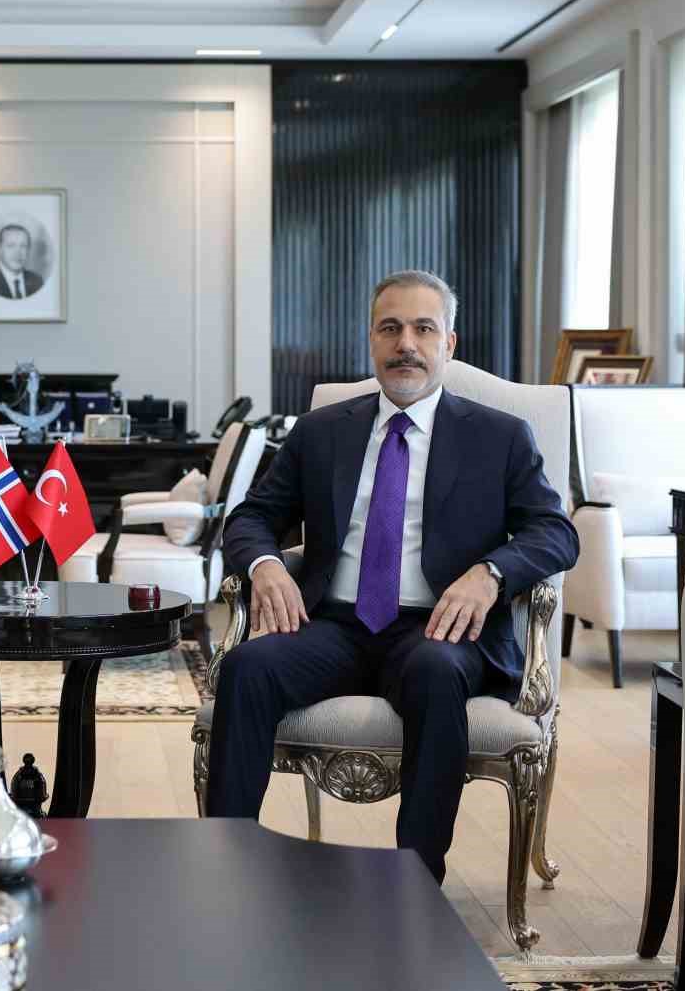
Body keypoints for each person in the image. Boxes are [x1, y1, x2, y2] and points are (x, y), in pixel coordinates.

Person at [207, 269, 578, 883]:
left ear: (448, 344)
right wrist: (266, 564)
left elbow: (556, 532)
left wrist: (490, 574)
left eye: (423, 329)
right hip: (334, 626)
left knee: (435, 672)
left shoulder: (500, 436)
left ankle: (415, 883)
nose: (406, 343)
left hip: (439, 631)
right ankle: (223, 871)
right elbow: (251, 517)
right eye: (391, 328)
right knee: (247, 667)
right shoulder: (321, 431)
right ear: (372, 341)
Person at [0, 223, 45, 299]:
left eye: (23, 246)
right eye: (11, 246)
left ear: (28, 250)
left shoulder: (37, 281)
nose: (17, 252)